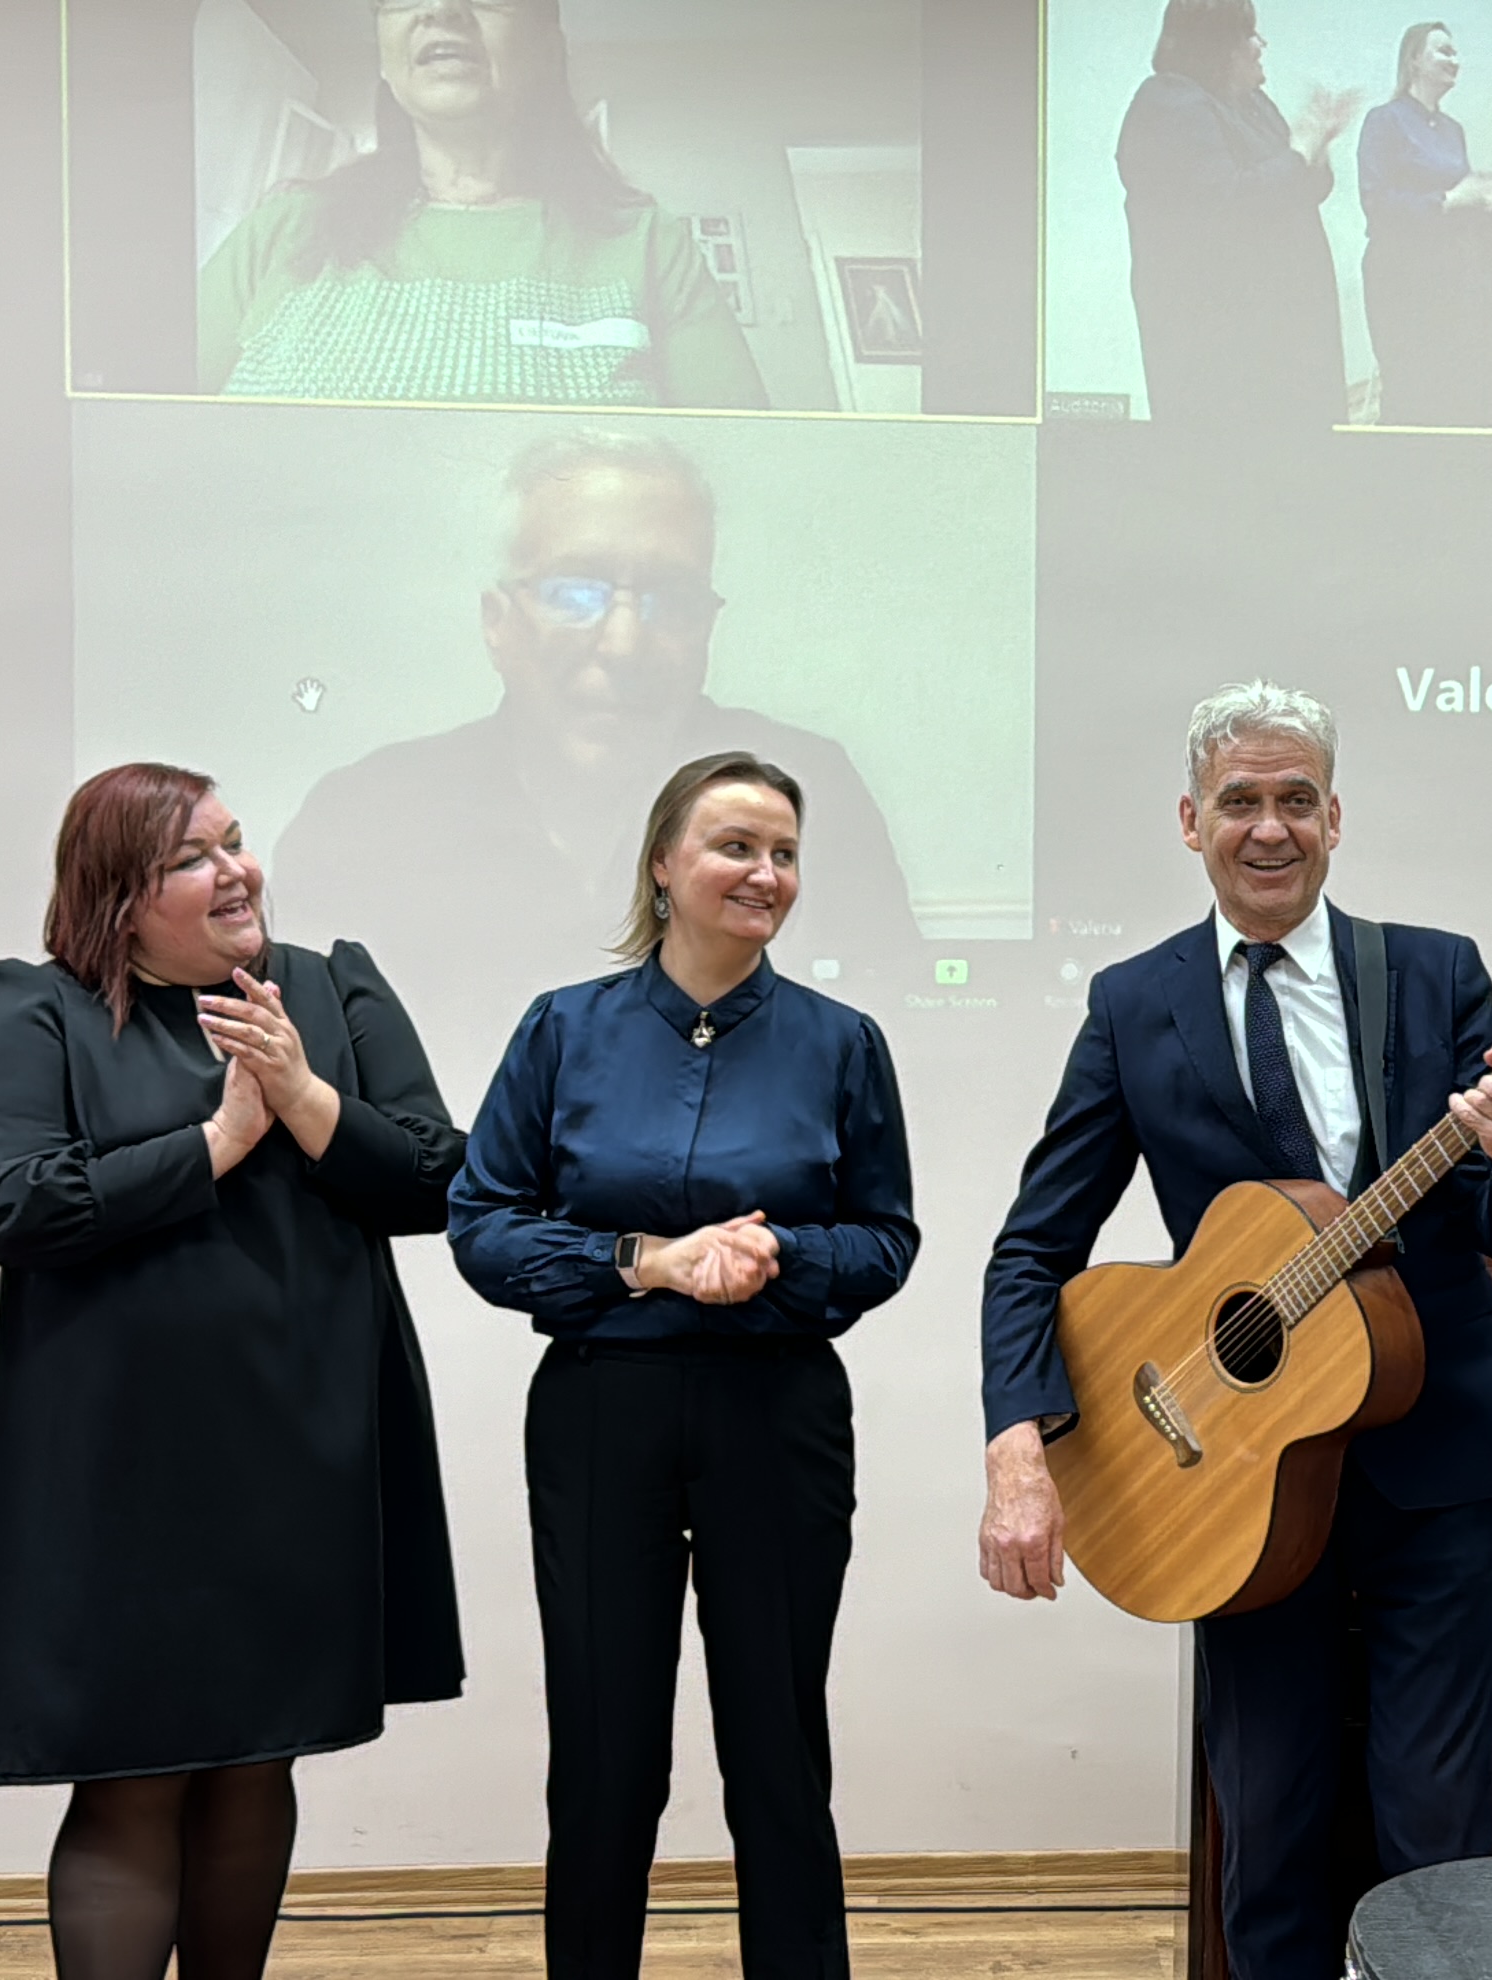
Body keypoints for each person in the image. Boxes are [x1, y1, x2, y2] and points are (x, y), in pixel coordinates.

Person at [976, 683, 1492, 1980]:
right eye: (1238, 800)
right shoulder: (1135, 1002)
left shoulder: (1433, 972)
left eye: (1296, 799)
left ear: (1335, 819)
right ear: (1191, 821)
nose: (1269, 827)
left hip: (1435, 1459)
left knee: (1436, 1840)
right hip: (1227, 1475)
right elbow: (1034, 1245)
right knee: (1269, 1834)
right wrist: (1020, 1444)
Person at [0, 764, 465, 1980]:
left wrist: (306, 1100)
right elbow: (10, 1204)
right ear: (118, 898)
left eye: (236, 842)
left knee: (257, 1757)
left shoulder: (326, 988)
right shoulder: (33, 1011)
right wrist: (214, 1143)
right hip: (123, 1462)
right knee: (134, 1770)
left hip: (303, 1441)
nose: (237, 871)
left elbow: (439, 1179)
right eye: (193, 859)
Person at [450, 751, 919, 1979]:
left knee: (778, 1749)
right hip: (604, 1411)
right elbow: (482, 1227)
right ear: (664, 863)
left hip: (777, 1413)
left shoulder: (841, 1043)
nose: (765, 874)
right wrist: (645, 1262)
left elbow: (885, 1239)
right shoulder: (562, 1029)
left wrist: (776, 1258)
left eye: (784, 853)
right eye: (735, 847)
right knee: (604, 1753)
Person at [267, 430, 922, 1063]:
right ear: (499, 623)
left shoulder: (811, 795)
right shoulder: (361, 819)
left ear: (707, 626)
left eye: (669, 597)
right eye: (575, 593)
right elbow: (301, 1082)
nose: (623, 644)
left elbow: (896, 1049)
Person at [199, 0, 767, 407]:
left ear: (548, 49)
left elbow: (744, 477)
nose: (441, 9)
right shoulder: (282, 229)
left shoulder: (648, 243)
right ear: (384, 60)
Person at [1118, 0, 1365, 425]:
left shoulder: (1254, 104)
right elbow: (1228, 205)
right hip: (1227, 356)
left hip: (1287, 344)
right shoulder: (1168, 103)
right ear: (1216, 47)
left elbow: (1306, 186)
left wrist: (1318, 141)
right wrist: (1302, 147)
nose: (1260, 44)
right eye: (1248, 34)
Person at [1355, 23, 1492, 427]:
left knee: (1449, 385)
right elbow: (1376, 204)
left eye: (1455, 53)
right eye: (1443, 51)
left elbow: (1459, 198)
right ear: (1413, 60)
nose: (1454, 60)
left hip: (1450, 273)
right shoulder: (1384, 120)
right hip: (1400, 274)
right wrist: (1448, 200)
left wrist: (1483, 201)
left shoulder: (1452, 129)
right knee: (1409, 388)